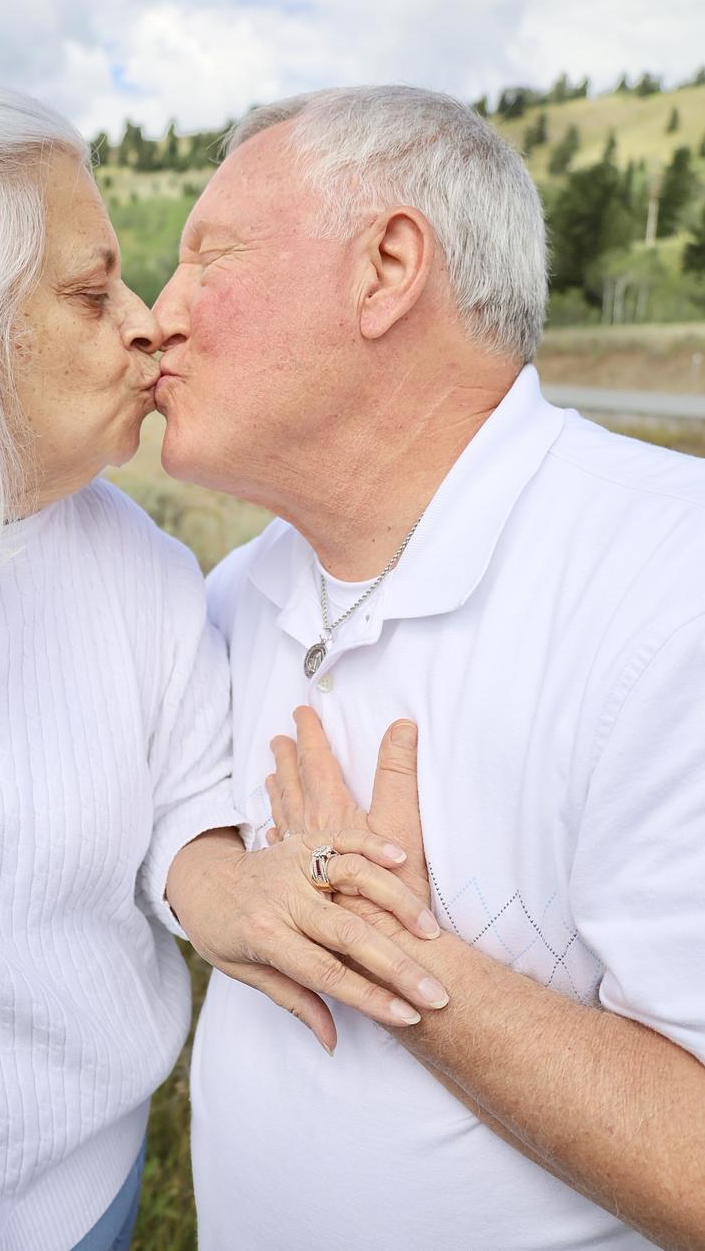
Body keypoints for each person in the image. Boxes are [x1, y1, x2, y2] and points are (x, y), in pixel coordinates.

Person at [0, 79, 443, 1249]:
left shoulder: (139, 568)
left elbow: (183, 807)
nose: (149, 324)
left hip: (77, 1202)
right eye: (94, 294)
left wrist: (239, 894)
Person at [153, 84, 705, 1249]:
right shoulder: (236, 592)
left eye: (210, 259)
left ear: (385, 268)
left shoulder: (671, 587)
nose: (159, 319)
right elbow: (161, 810)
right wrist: (214, 884)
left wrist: (392, 955)